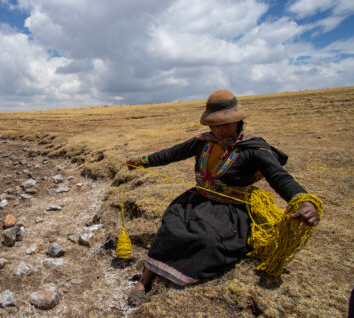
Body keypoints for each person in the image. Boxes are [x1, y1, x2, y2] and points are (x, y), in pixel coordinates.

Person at [125, 89, 320, 307]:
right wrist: (143, 160)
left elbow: (280, 177)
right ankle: (144, 281)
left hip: (230, 209)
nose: (215, 129)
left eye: (221, 124)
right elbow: (172, 153)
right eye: (212, 124)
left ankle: (178, 270)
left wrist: (304, 201)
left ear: (237, 121)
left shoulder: (254, 148)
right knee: (171, 225)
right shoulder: (203, 142)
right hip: (197, 199)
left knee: (206, 240)